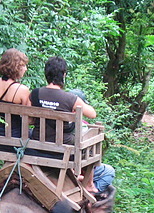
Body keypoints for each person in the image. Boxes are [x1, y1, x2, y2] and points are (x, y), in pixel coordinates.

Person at [30, 57, 115, 196]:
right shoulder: (69, 98)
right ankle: (89, 185)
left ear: (46, 74)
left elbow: (29, 117)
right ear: (63, 75)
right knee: (90, 141)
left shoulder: (35, 93)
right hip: (65, 146)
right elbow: (92, 114)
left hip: (38, 141)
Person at [0, 48, 31, 137]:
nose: (25, 69)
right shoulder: (22, 90)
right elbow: (28, 120)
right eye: (23, 65)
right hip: (14, 140)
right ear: (16, 67)